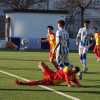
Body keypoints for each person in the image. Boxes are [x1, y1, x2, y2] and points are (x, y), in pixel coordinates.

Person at [16, 62, 80, 87]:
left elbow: (76, 82)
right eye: (72, 69)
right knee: (41, 63)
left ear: (75, 72)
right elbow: (66, 76)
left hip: (51, 80)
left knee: (38, 82)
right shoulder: (66, 69)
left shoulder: (73, 76)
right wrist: (68, 83)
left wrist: (77, 84)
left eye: (74, 71)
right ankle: (42, 69)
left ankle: (23, 83)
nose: (72, 71)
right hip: (51, 73)